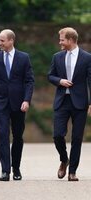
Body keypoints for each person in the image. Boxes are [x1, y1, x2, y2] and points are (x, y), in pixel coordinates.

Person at [0, 29, 34, 181]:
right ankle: (5, 171)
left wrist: (26, 100)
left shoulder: (24, 57)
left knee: (17, 136)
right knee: (3, 135)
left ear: (11, 41)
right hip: (0, 103)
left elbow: (29, 81)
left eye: (2, 40)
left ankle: (16, 168)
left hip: (19, 103)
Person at [48, 27, 91, 181]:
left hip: (80, 103)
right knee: (57, 135)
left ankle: (72, 171)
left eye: (62, 39)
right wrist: (60, 81)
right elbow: (50, 76)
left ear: (71, 40)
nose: (60, 42)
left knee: (77, 138)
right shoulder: (57, 57)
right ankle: (64, 159)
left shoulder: (87, 58)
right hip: (62, 101)